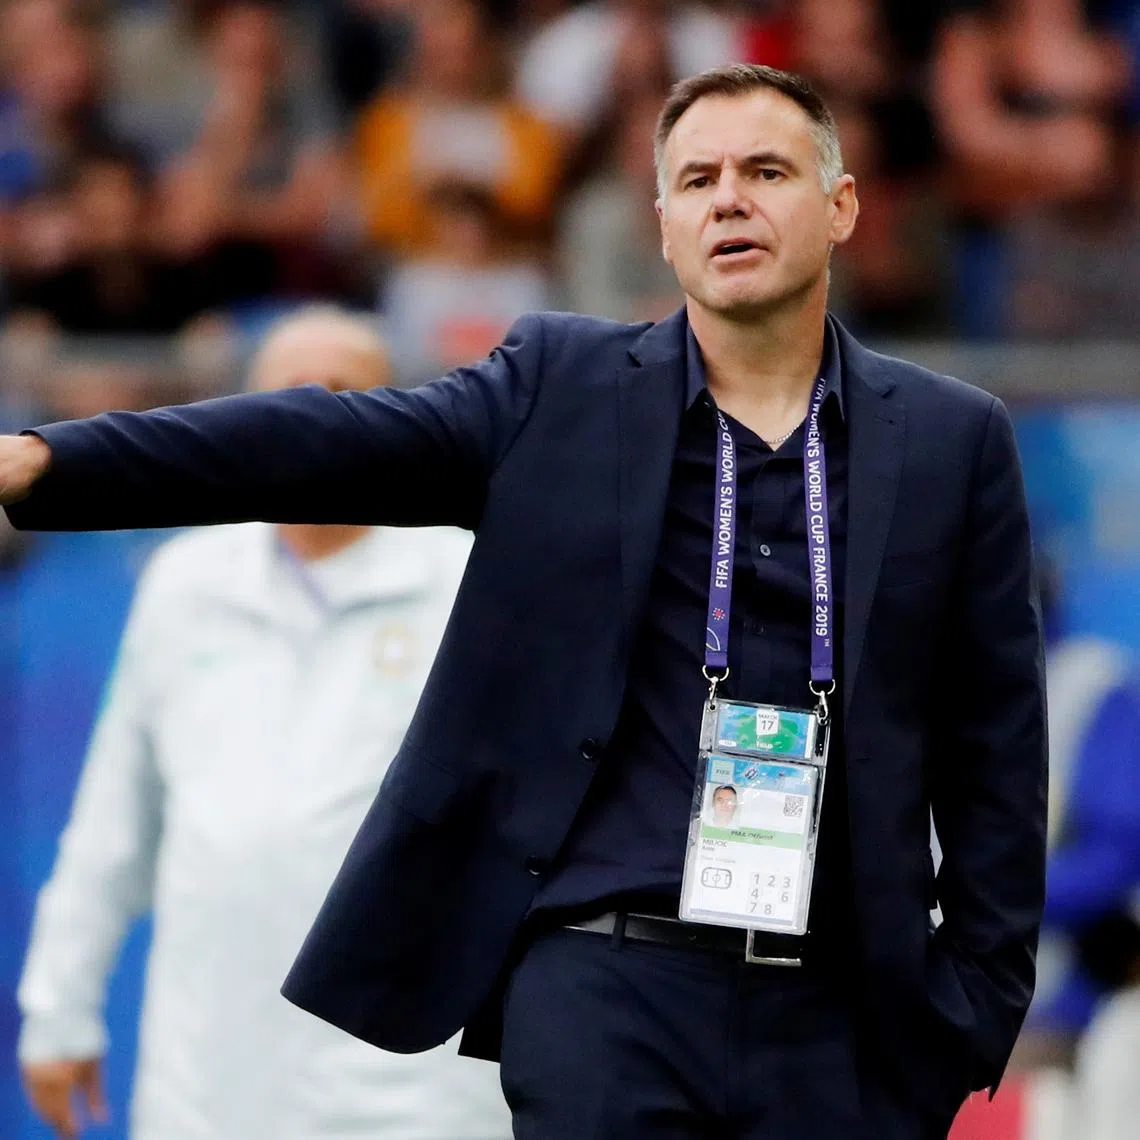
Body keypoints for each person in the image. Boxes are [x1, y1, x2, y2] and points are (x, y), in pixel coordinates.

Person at [0, 65, 1047, 1140]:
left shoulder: (950, 438)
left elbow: (996, 750)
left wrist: (965, 1015)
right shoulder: (561, 390)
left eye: (765, 171)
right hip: (606, 987)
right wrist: (41, 462)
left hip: (847, 1015)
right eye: (697, 179)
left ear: (841, 208)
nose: (728, 197)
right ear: (666, 226)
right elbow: (312, 444)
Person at [14, 307, 512, 1140]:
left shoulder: (474, 580)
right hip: (210, 1067)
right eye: (288, 398)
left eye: (346, 396)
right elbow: (115, 823)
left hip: (414, 1078)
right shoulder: (184, 581)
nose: (315, 424)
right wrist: (58, 1009)